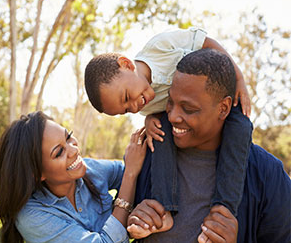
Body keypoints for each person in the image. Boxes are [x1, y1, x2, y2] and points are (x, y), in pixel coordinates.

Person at [84, 27, 253, 220]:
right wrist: (149, 120)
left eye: (126, 97)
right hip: (187, 120)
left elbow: (206, 42)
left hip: (217, 97)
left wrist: (238, 78)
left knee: (241, 127)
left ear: (126, 64)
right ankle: (163, 207)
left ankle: (224, 208)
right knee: (158, 134)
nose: (134, 106)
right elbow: (157, 112)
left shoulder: (159, 47)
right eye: (127, 110)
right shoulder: (145, 105)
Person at [127, 49, 291, 243]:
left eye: (188, 109)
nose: (172, 117)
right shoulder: (149, 154)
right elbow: (114, 224)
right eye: (170, 103)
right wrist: (133, 223)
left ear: (223, 108)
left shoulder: (266, 174)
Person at [0, 111, 156, 242]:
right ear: (37, 174)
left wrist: (151, 120)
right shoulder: (32, 216)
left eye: (68, 137)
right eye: (59, 152)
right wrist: (130, 176)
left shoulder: (90, 170)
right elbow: (131, 174)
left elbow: (142, 176)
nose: (74, 150)